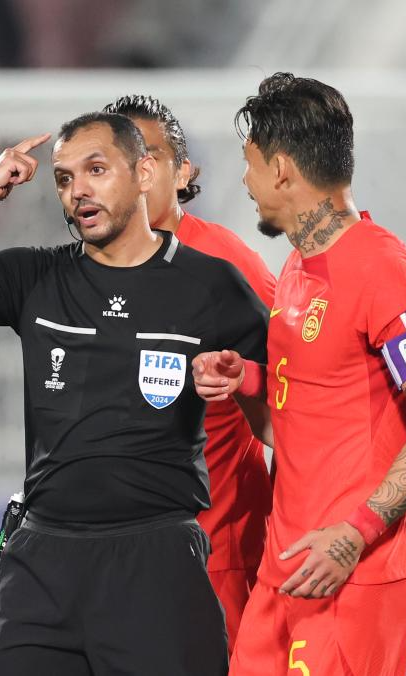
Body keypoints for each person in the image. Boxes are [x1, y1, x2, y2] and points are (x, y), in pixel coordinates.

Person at [0, 112, 269, 675]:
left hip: (156, 562)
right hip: (42, 562)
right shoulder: (33, 276)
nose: (78, 189)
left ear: (143, 174)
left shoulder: (213, 286)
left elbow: (280, 420)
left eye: (96, 169)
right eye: (64, 178)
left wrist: (244, 383)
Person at [193, 73, 406, 675]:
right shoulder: (297, 267)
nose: (244, 182)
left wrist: (354, 535)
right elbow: (296, 426)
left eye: (249, 164)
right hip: (286, 563)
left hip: (353, 570)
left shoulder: (382, 268)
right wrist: (245, 381)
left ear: (281, 170)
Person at [102, 94, 276, 655]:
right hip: (113, 560)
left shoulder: (224, 267)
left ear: (184, 172)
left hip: (214, 558)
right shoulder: (85, 273)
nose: (135, 175)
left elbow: (294, 389)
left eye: (149, 157)